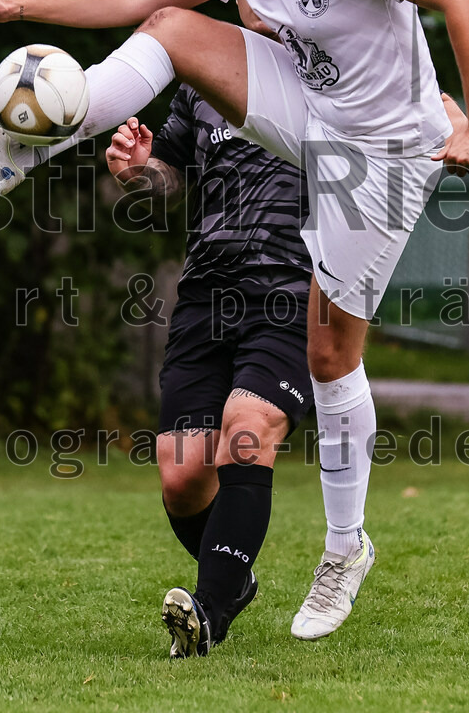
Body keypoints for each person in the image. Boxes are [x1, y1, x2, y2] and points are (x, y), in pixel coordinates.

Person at [0, 0, 469, 651]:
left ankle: (346, 548)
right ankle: (16, 152)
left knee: (330, 351)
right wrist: (15, 7)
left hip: (381, 156)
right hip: (312, 119)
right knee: (169, 25)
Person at [105, 90, 314, 657]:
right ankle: (232, 582)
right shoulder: (202, 78)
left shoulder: (329, 61)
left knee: (246, 431)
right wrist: (138, 171)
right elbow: (169, 182)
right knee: (181, 476)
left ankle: (208, 612)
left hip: (295, 288)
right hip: (206, 294)